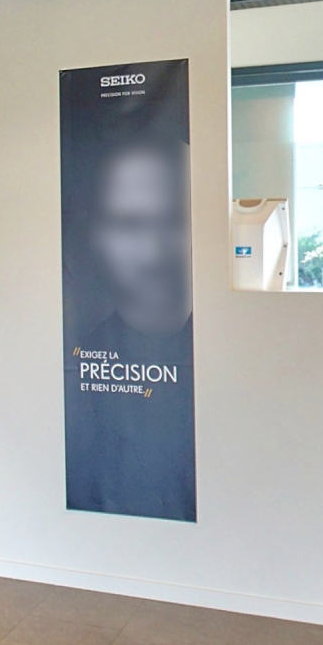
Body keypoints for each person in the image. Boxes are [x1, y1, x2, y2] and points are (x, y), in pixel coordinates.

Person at [64, 133, 196, 521]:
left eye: (175, 221)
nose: (154, 253)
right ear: (96, 237)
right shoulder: (69, 369)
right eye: (129, 224)